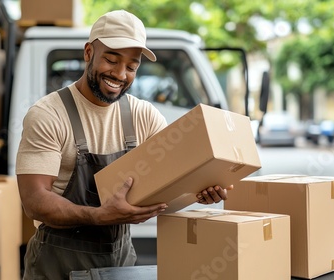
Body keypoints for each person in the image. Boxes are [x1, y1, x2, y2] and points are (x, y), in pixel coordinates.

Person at [16, 10, 232, 280]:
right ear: (88, 53)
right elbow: (34, 201)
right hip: (57, 264)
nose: (120, 74)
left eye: (131, 66)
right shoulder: (49, 114)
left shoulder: (145, 116)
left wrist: (200, 192)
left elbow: (171, 182)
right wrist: (98, 215)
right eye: (111, 59)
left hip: (120, 262)